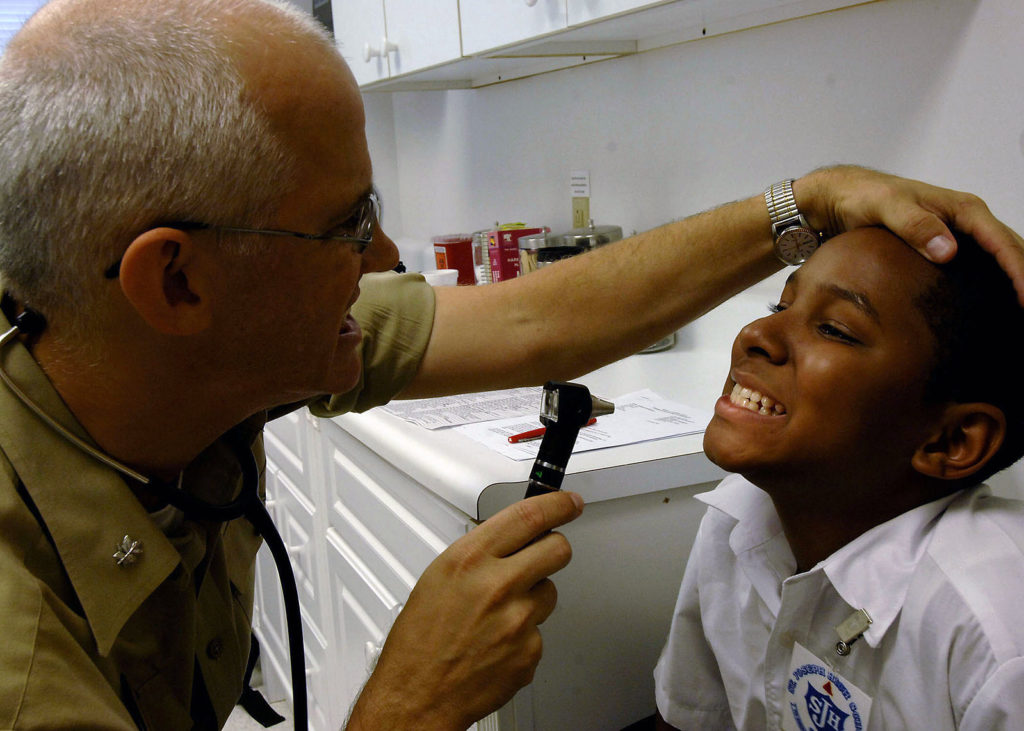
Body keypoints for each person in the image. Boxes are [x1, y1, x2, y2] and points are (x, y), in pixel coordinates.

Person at [0, 0, 1021, 729]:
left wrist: (806, 198)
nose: (388, 261)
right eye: (348, 225)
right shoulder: (21, 656)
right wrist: (409, 703)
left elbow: (537, 322)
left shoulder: (165, 343)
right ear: (176, 285)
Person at [653, 227, 1024, 730]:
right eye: (777, 307)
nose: (756, 336)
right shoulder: (739, 518)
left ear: (950, 440)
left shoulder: (996, 632)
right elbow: (692, 718)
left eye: (834, 329)